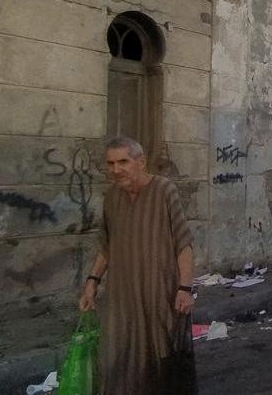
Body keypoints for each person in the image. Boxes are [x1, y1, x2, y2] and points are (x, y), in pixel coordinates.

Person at [79, 137, 196, 395]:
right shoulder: (111, 197)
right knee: (118, 357)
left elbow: (183, 242)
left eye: (123, 161)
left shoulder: (164, 190)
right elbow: (107, 245)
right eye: (111, 163)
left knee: (163, 359)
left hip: (160, 296)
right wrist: (92, 281)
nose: (116, 169)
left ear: (141, 162)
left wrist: (185, 288)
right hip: (123, 297)